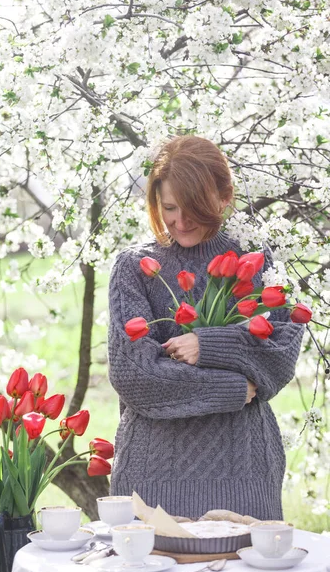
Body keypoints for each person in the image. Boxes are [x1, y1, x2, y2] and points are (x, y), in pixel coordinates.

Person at [107, 136, 304, 520]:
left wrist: (208, 344)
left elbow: (279, 357)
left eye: (193, 208)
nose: (180, 222)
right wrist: (233, 386)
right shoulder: (135, 267)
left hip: (245, 471)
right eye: (169, 207)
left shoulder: (260, 260)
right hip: (152, 477)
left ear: (224, 196)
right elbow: (135, 376)